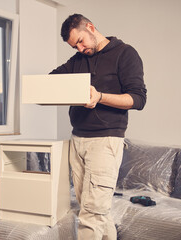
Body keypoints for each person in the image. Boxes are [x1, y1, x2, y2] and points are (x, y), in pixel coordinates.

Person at [50, 14, 147, 240]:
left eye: (81, 41)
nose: (80, 48)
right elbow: (52, 80)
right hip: (77, 140)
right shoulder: (77, 61)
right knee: (96, 212)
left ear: (91, 27)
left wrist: (100, 96)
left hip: (105, 142)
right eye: (75, 46)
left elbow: (138, 99)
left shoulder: (125, 54)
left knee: (91, 216)